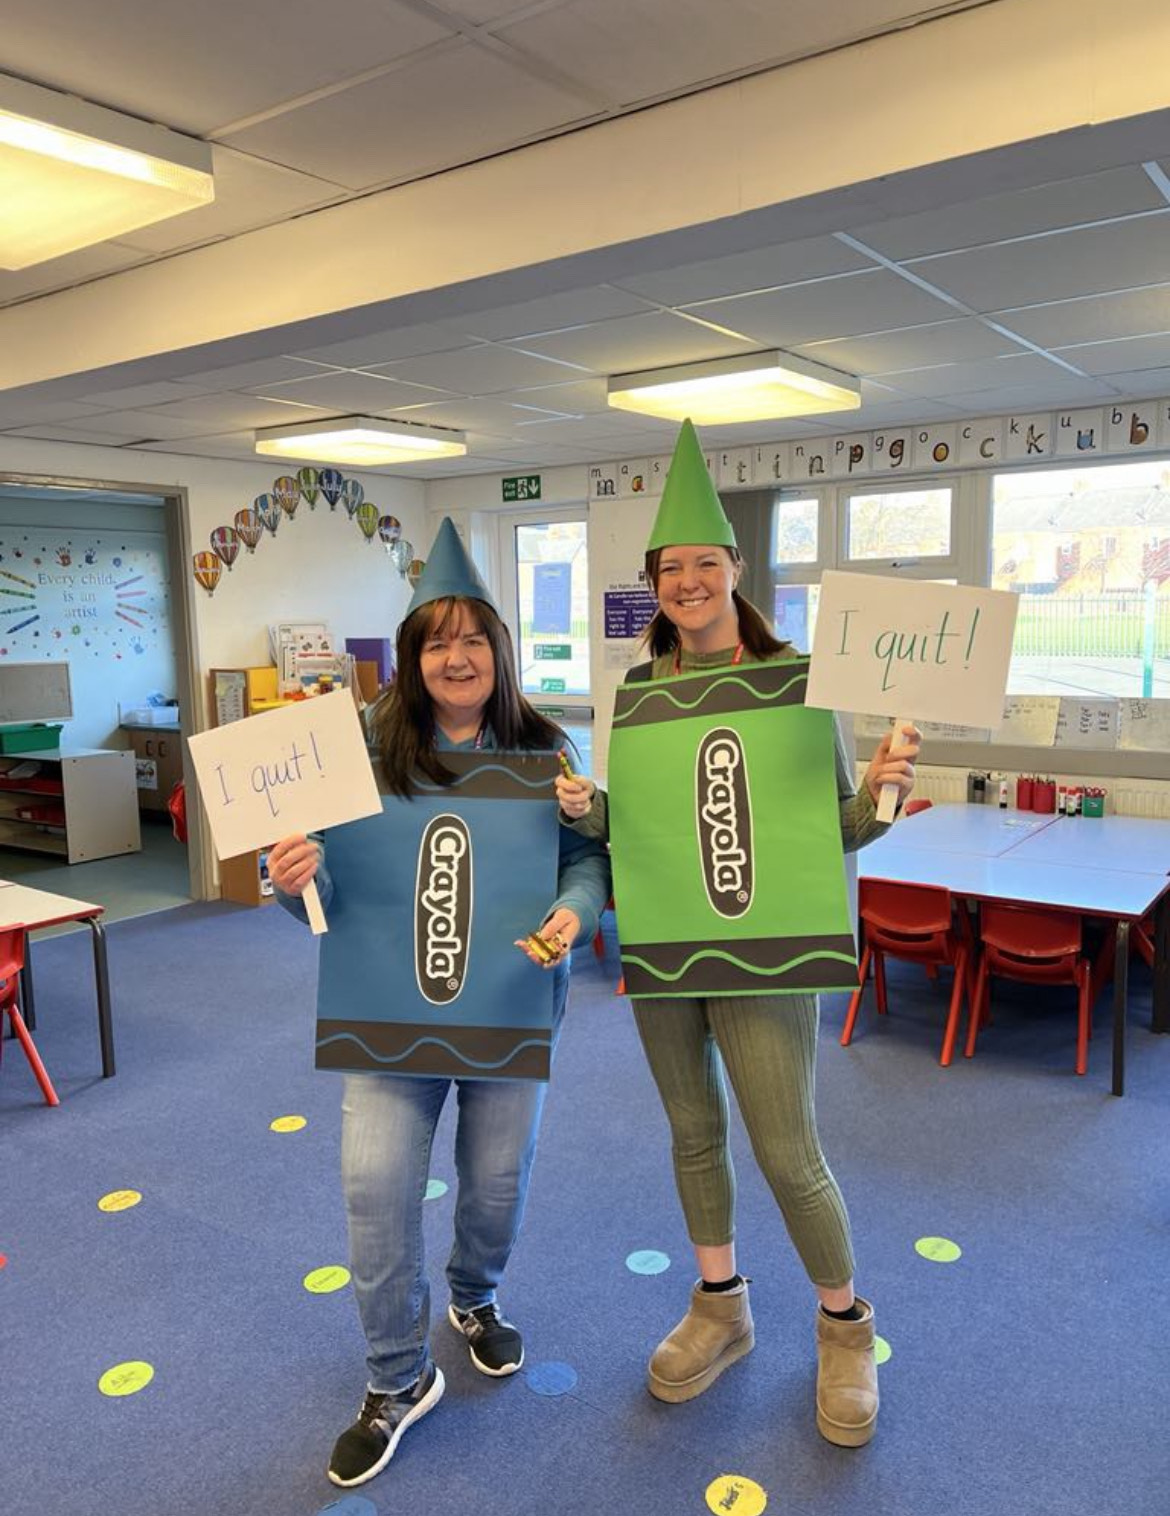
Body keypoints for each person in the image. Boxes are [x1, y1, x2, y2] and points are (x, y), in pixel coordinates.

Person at [556, 421, 920, 1449]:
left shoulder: (797, 680)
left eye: (701, 565)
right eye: (669, 569)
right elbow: (642, 825)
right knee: (691, 1132)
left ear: (734, 570)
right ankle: (721, 1304)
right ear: (656, 583)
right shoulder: (643, 692)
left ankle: (845, 1327)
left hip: (767, 951)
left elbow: (837, 831)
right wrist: (588, 807)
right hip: (670, 949)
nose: (686, 581)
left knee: (787, 1148)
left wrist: (885, 791)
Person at [269, 519, 611, 1490]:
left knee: (496, 1188)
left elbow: (589, 863)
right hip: (387, 1017)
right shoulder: (363, 755)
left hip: (506, 1002)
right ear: (416, 657)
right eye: (435, 639)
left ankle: (474, 1295)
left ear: (497, 653)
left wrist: (570, 915)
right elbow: (327, 899)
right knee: (375, 1193)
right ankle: (395, 1378)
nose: (454, 656)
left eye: (472, 638)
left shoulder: (548, 748)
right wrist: (290, 877)